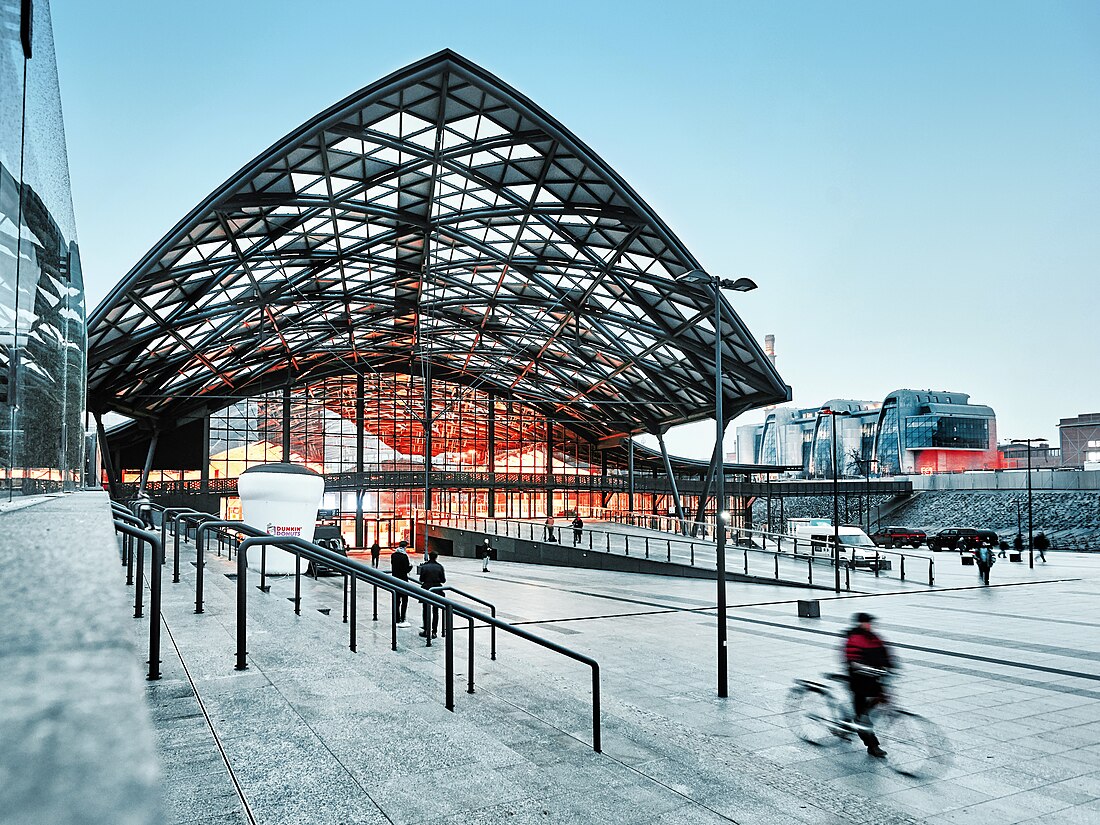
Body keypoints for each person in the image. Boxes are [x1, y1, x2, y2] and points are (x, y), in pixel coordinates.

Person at [843, 612, 895, 759]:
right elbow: (853, 661)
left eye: (870, 622)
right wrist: (868, 669)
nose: (869, 625)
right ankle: (873, 746)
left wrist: (892, 666)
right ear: (860, 623)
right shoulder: (853, 639)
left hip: (874, 680)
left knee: (878, 701)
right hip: (859, 682)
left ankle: (852, 722)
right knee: (863, 717)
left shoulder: (874, 638)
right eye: (866, 622)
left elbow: (886, 653)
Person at [418, 551, 446, 639]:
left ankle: (426, 630)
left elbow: (421, 579)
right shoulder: (440, 567)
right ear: (436, 557)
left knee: (425, 610)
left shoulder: (424, 567)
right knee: (435, 611)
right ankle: (434, 631)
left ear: (429, 557)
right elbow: (443, 580)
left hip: (426, 589)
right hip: (437, 590)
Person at [390, 540, 412, 627]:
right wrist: (411, 566)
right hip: (403, 580)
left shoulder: (393, 555)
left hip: (395, 580)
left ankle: (396, 618)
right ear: (405, 547)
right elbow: (406, 569)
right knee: (405, 600)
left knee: (396, 600)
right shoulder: (404, 556)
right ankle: (403, 617)